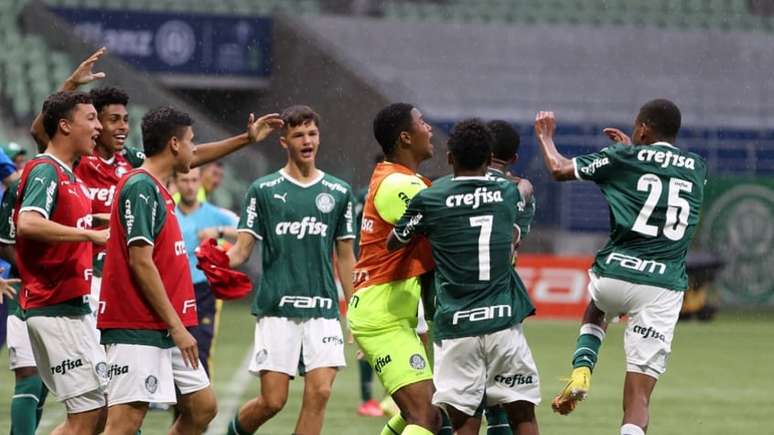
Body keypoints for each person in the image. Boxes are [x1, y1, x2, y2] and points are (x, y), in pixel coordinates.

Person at [30, 47, 278, 324]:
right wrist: (71, 87)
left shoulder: (133, 161)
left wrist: (246, 139)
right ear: (95, 122)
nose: (123, 127)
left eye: (125, 120)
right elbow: (41, 132)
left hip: (120, 276)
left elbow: (191, 156)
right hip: (80, 277)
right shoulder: (76, 160)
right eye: (114, 120)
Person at [535, 100, 706, 435]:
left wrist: (545, 138)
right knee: (639, 397)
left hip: (615, 274)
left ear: (643, 128)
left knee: (597, 308)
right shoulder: (698, 166)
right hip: (662, 287)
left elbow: (558, 168)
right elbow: (660, 179)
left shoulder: (622, 159)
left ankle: (583, 367)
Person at [386, 119, 540, 434]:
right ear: (489, 160)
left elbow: (395, 241)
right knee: (522, 415)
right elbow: (524, 188)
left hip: (457, 327)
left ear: (450, 158)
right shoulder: (507, 192)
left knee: (464, 421)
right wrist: (521, 187)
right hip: (503, 323)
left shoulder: (431, 197)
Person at [225, 105, 356, 435]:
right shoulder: (263, 190)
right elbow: (241, 251)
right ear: (284, 142)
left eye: (312, 133)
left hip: (322, 308)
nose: (307, 140)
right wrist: (209, 261)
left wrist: (354, 311)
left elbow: (345, 257)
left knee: (321, 392)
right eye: (298, 135)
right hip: (277, 308)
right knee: (273, 401)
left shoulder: (339, 192)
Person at [14, 90, 110, 434]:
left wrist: (96, 220)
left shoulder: (71, 175)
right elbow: (28, 223)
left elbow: (64, 221)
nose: (99, 127)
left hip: (72, 309)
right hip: (54, 309)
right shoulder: (45, 170)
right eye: (91, 119)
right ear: (65, 126)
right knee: (85, 417)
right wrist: (90, 236)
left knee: (99, 412)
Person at [347, 103, 441, 435]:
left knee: (424, 410)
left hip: (393, 313)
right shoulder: (397, 185)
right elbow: (445, 227)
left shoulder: (406, 180)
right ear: (405, 137)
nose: (429, 128)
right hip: (382, 316)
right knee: (426, 416)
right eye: (422, 123)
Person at [0, 144, 49, 435]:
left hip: (39, 289)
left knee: (41, 380)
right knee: (30, 377)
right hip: (24, 287)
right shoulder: (23, 187)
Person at [174, 167, 238, 374]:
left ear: (200, 181)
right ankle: (174, 401)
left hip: (203, 290)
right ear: (176, 183)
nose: (190, 186)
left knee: (201, 347)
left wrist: (219, 231)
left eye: (194, 180)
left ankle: (200, 403)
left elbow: (247, 230)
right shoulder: (167, 213)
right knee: (172, 350)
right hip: (173, 289)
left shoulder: (213, 214)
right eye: (185, 181)